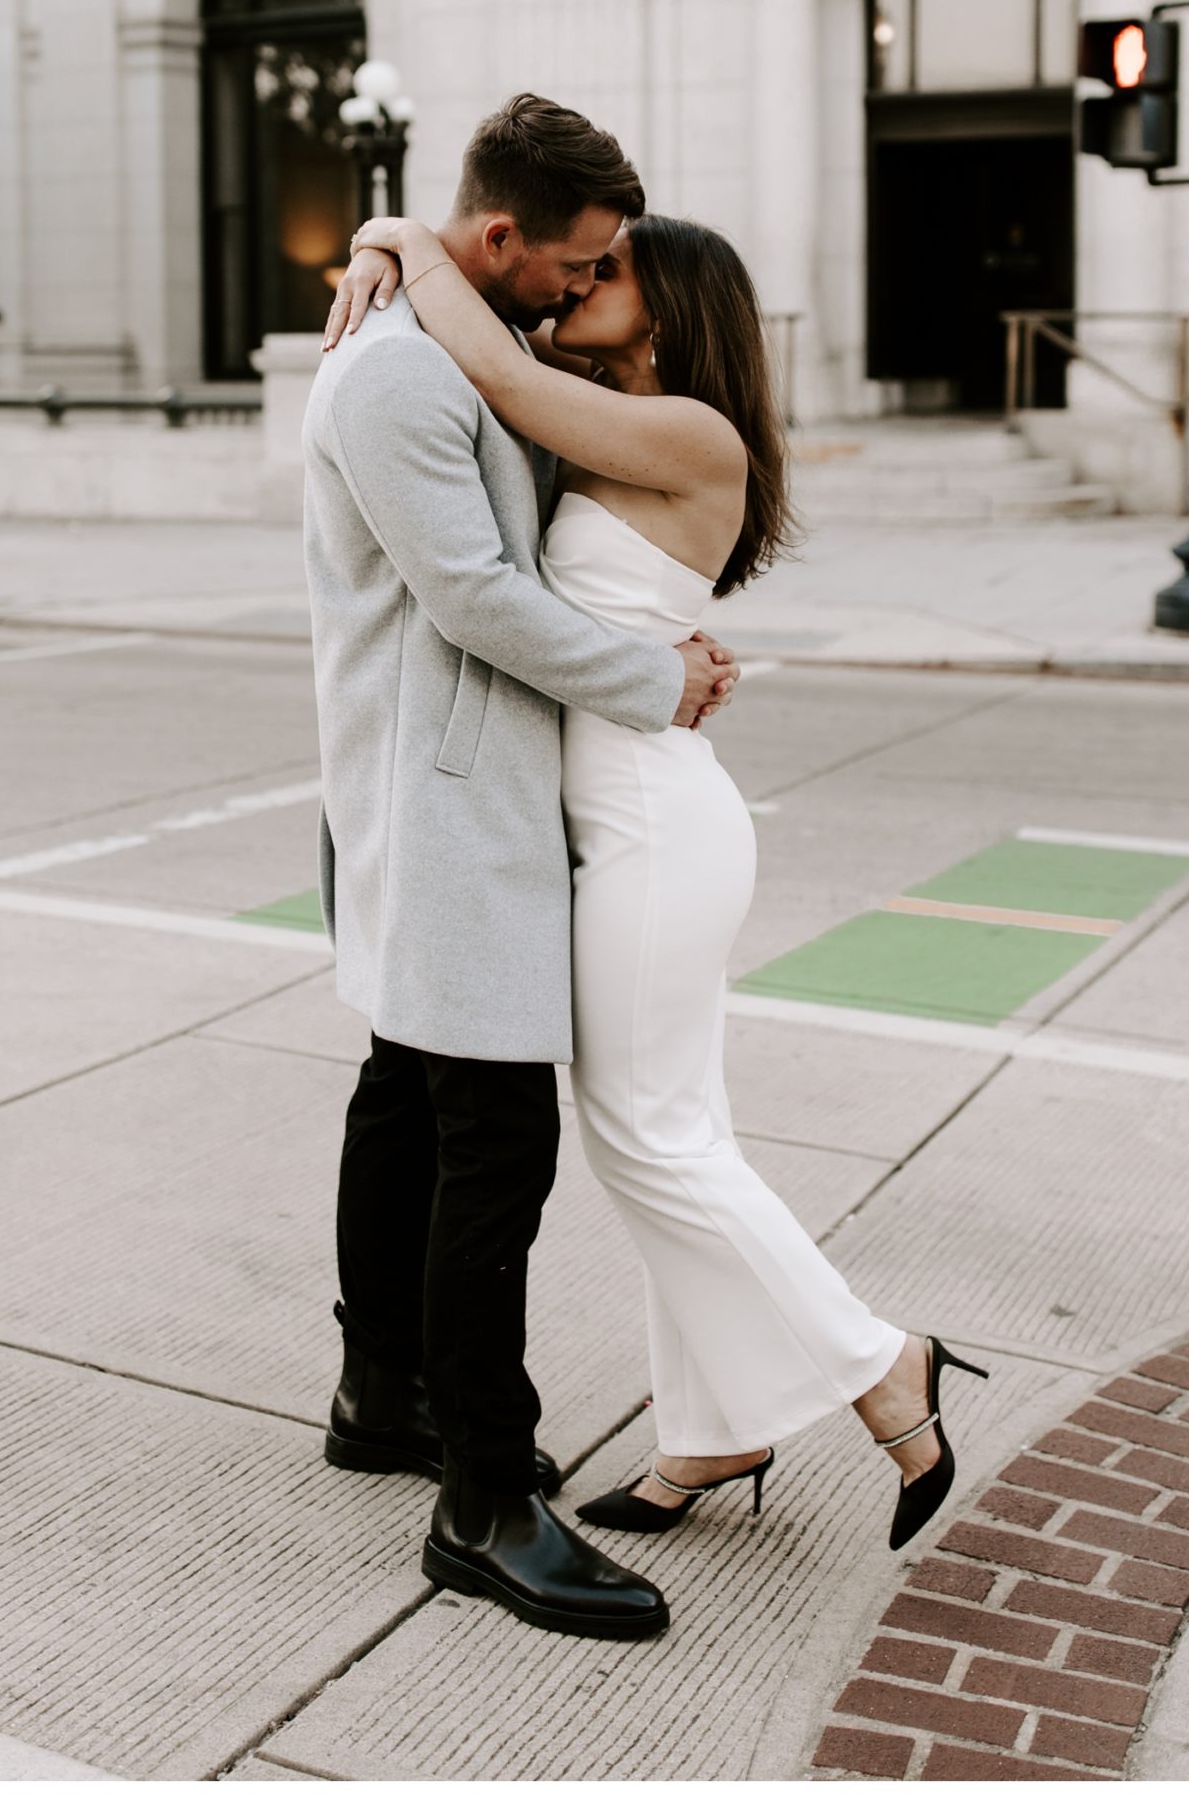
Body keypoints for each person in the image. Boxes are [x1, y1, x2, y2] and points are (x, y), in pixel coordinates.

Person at [325, 189, 987, 1567]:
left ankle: (880, 1366)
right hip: (611, 817)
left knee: (647, 1139)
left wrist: (396, 233)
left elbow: (493, 365)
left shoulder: (687, 430)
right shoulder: (594, 410)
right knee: (669, 1133)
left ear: (670, 302)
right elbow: (497, 393)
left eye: (610, 269)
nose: (578, 283)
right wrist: (398, 239)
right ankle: (708, 1432)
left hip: (645, 823)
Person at [302, 94, 742, 1644]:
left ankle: (385, 1393)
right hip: (444, 805)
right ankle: (484, 1504)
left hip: (460, 792)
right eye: (578, 260)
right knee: (493, 1141)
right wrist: (652, 682)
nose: (583, 283)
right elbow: (476, 597)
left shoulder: (453, 340)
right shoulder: (401, 379)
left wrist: (389, 239)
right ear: (501, 240)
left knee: (407, 1101)